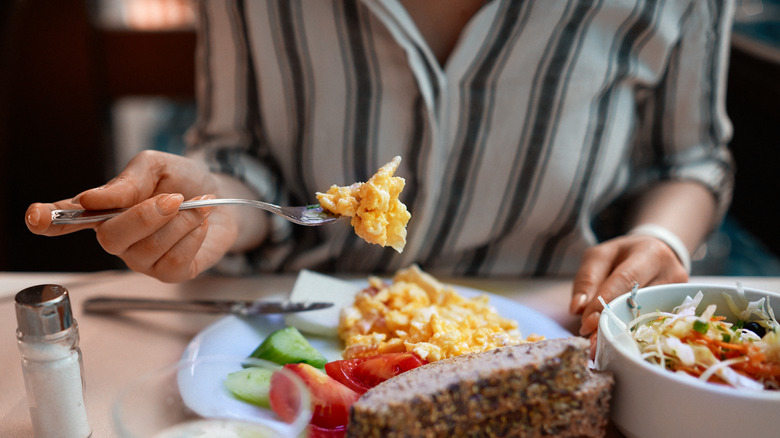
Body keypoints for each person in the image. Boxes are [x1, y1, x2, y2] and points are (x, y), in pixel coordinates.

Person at [25, 0, 736, 340]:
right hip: (297, 323)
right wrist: (212, 209)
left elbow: (691, 160)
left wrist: (662, 243)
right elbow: (240, 154)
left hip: (555, 328)